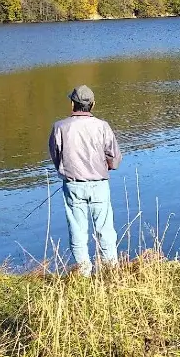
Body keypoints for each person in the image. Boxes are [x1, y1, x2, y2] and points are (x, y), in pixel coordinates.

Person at [48, 85, 122, 276]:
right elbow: (114, 158)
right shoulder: (102, 126)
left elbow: (56, 157)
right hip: (99, 185)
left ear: (72, 103)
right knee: (105, 230)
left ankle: (83, 274)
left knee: (78, 231)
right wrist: (108, 166)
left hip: (72, 186)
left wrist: (64, 171)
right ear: (92, 104)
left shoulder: (59, 127)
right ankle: (110, 271)